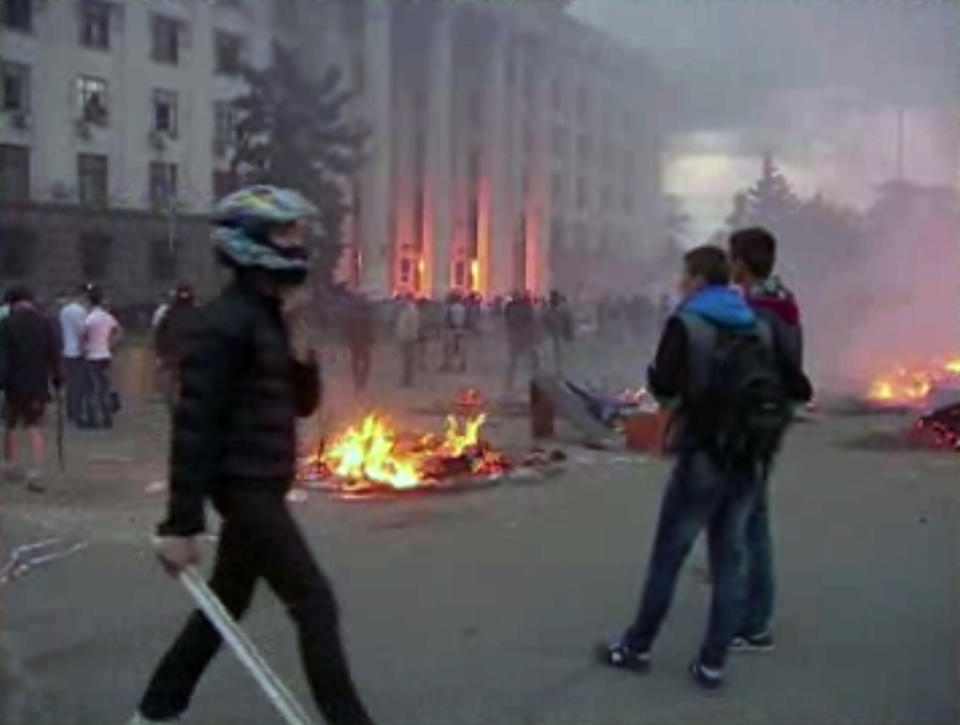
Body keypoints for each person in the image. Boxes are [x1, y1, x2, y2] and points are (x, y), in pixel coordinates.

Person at [130, 185, 376, 725]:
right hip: (244, 488)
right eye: (288, 232)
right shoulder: (222, 323)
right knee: (314, 603)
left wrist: (298, 336)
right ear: (253, 242)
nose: (300, 243)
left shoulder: (270, 319)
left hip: (262, 483)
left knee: (227, 603)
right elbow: (194, 426)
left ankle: (156, 710)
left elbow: (304, 404)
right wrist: (181, 524)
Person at [597, 245, 801, 690]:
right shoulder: (756, 323)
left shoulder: (686, 322)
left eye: (683, 276)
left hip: (703, 455)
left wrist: (666, 388)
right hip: (748, 454)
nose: (679, 283)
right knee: (730, 559)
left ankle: (637, 647)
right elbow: (788, 384)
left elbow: (665, 388)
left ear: (696, 279)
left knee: (668, 555)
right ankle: (712, 664)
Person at [728, 226, 813, 653]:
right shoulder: (783, 301)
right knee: (749, 514)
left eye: (732, 257)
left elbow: (750, 374)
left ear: (740, 262)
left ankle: (754, 622)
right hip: (772, 418)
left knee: (750, 520)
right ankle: (745, 606)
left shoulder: (755, 312)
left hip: (752, 424)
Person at [0, 286, 61, 487]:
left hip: (13, 383)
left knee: (11, 424)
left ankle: (9, 464)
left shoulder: (7, 324)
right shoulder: (45, 324)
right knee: (34, 425)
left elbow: (4, 356)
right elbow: (54, 353)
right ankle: (36, 468)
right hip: (37, 382)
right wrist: (58, 377)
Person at [79, 286, 122, 429]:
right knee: (104, 387)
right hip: (105, 354)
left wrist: (85, 347)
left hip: (93, 356)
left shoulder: (90, 318)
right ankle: (107, 418)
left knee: (93, 388)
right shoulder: (107, 316)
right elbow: (118, 331)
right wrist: (111, 344)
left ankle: (93, 418)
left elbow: (83, 335)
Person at [154, 284, 199, 410]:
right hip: (186, 354)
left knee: (173, 382)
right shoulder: (197, 313)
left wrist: (161, 352)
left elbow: (160, 334)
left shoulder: (169, 313)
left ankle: (176, 403)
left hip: (175, 354)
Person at [59, 285, 89, 424]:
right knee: (79, 383)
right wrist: (84, 349)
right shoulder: (80, 311)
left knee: (70, 383)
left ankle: (70, 409)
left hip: (67, 350)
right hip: (77, 351)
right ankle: (77, 411)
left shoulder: (64, 310)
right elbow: (82, 331)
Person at [504, 291, 539, 394]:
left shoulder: (510, 307)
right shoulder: (526, 308)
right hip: (523, 337)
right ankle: (531, 381)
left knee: (514, 361)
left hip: (516, 336)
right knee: (530, 360)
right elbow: (531, 323)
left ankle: (510, 382)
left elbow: (507, 321)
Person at [342, 293, 375, 394]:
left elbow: (347, 329)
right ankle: (360, 382)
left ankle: (358, 382)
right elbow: (370, 328)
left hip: (356, 341)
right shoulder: (364, 314)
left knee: (357, 362)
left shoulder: (353, 314)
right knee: (365, 362)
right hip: (361, 341)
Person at [543, 290, 575, 373]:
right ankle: (554, 371)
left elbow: (568, 323)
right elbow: (544, 323)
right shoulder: (548, 310)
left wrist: (570, 335)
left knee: (560, 356)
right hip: (551, 336)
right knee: (551, 356)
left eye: (555, 297)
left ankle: (559, 371)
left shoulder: (563, 310)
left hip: (560, 336)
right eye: (553, 297)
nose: (554, 299)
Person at [395, 293, 420, 388]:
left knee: (408, 361)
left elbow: (412, 325)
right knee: (406, 361)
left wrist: (409, 337)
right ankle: (406, 379)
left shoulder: (410, 310)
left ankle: (407, 380)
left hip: (408, 338)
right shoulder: (405, 310)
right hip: (405, 337)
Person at [440, 291, 468, 373]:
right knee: (461, 349)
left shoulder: (450, 308)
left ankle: (448, 364)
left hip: (451, 329)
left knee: (449, 349)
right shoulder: (463, 308)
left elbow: (447, 319)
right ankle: (462, 364)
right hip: (461, 329)